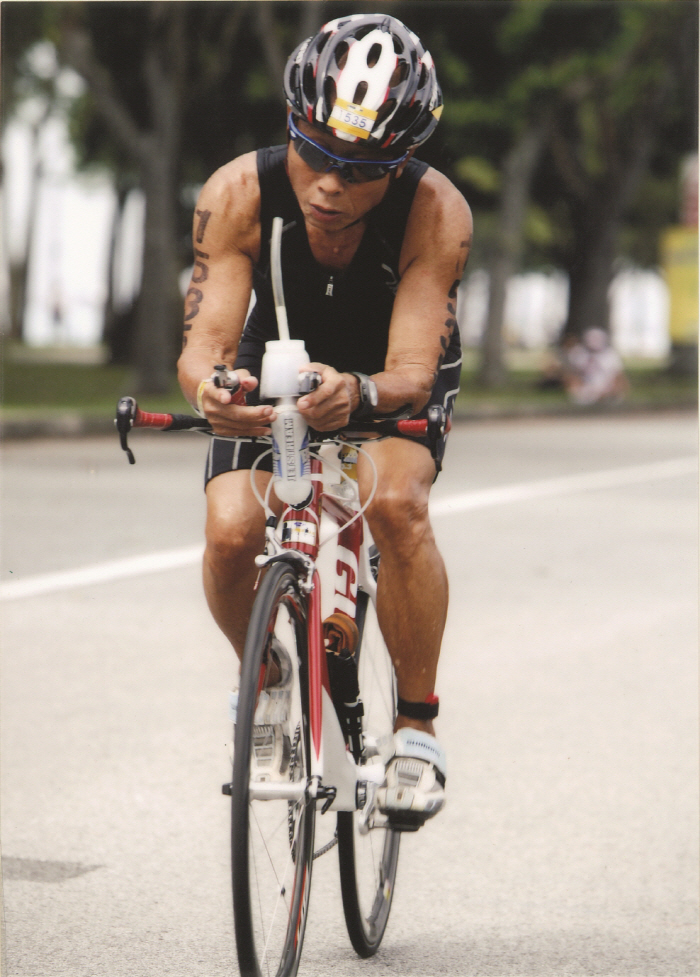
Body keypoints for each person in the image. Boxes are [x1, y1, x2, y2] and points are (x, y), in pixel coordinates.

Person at [177, 13, 472, 829]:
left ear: (400, 162)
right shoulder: (237, 193)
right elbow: (202, 348)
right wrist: (211, 391)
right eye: (315, 151)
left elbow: (411, 372)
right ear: (291, 124)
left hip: (387, 370)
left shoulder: (435, 211)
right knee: (231, 530)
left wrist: (360, 393)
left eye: (362, 168)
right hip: (274, 355)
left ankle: (416, 729)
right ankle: (268, 681)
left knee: (398, 504)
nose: (331, 185)